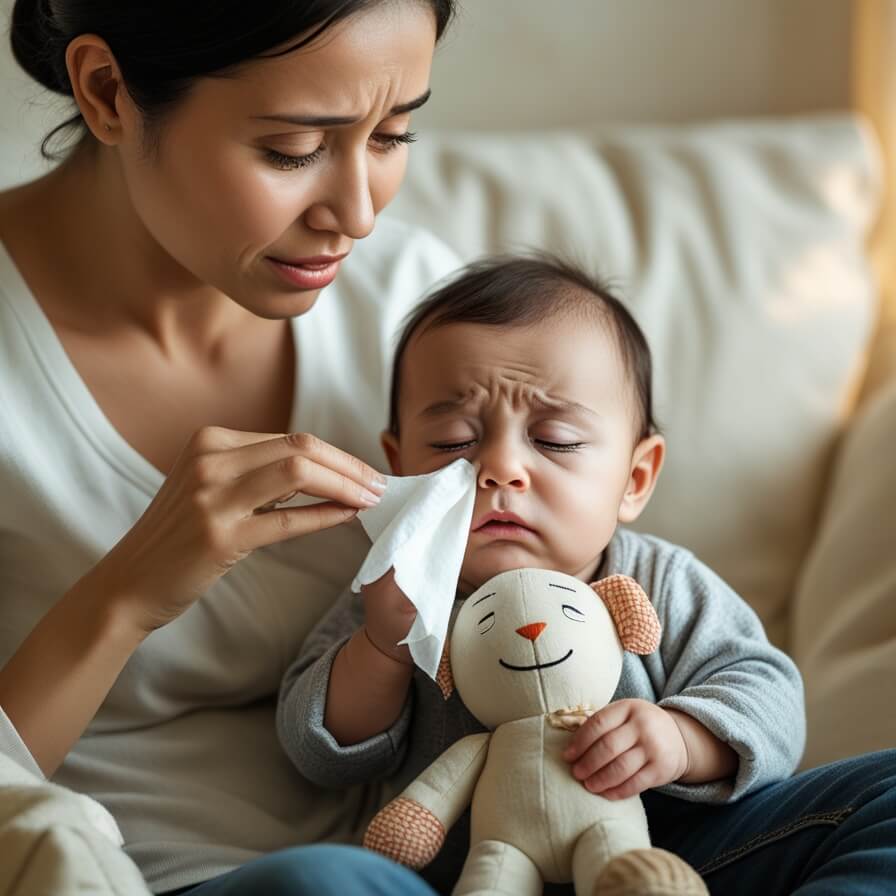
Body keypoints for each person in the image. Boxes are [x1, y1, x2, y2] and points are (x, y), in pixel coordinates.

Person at [0, 1, 461, 894]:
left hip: (466, 853)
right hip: (150, 872)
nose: (357, 214)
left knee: (823, 812)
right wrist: (124, 596)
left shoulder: (418, 310)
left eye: (393, 135)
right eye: (293, 149)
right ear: (107, 93)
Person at [278, 255, 896, 895]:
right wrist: (380, 647)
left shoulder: (661, 580)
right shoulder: (396, 592)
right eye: (454, 441)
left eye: (557, 440)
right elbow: (315, 747)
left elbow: (765, 691)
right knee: (312, 878)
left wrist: (683, 740)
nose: (499, 469)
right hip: (465, 879)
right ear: (400, 467)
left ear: (634, 480)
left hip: (680, 861)